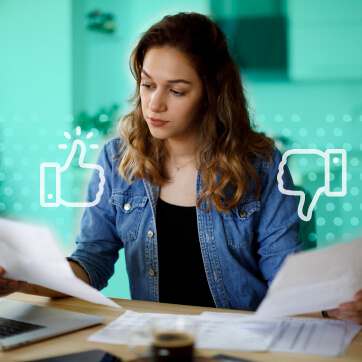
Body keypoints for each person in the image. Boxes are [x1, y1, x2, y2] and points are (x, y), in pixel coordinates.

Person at [1, 12, 361, 323]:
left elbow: (285, 279)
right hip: (153, 340)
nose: (154, 104)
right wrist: (27, 280)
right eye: (147, 85)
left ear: (212, 93)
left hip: (241, 342)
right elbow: (91, 260)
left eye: (176, 91)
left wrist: (333, 307)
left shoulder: (262, 165)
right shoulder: (115, 160)